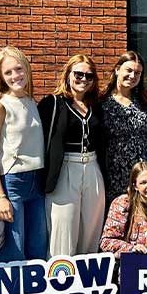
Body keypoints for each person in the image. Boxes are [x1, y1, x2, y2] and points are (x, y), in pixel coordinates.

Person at [0, 47, 47, 262]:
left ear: (27, 69)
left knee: (37, 249)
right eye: (8, 72)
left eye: (18, 69)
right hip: (13, 182)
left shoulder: (31, 101)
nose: (15, 76)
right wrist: (0, 197)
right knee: (13, 252)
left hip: (37, 181)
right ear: (1, 76)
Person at [39, 54, 105, 257]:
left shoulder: (96, 106)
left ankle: (86, 282)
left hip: (93, 168)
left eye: (89, 76)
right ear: (68, 75)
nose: (83, 79)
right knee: (63, 230)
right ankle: (61, 282)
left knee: (91, 229)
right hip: (65, 169)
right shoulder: (52, 103)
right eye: (78, 74)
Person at [98, 51, 147, 202]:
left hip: (142, 168)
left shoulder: (145, 100)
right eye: (129, 70)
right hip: (114, 169)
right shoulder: (102, 102)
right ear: (117, 70)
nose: (133, 76)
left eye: (137, 73)